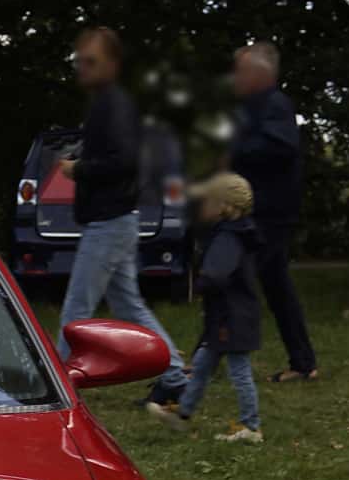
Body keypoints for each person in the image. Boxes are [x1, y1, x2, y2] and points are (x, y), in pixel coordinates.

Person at [56, 26, 187, 406]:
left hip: (109, 223)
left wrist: (78, 169)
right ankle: (174, 376)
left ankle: (56, 390)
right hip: (115, 220)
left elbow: (125, 162)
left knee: (76, 311)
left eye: (91, 61)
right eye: (80, 61)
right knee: (129, 306)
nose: (82, 67)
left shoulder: (114, 104)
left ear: (112, 63)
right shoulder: (107, 104)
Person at [147, 173, 264, 444]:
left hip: (232, 317)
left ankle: (251, 426)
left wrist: (201, 284)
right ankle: (183, 413)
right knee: (201, 365)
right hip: (227, 314)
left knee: (239, 370)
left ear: (226, 205)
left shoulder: (229, 237)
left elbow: (217, 274)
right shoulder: (235, 231)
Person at [228, 41, 318, 383]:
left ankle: (205, 357)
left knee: (233, 279)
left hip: (269, 213)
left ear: (258, 73)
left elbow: (281, 147)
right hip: (260, 210)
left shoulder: (274, 104)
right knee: (277, 288)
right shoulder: (251, 107)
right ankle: (303, 362)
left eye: (240, 70)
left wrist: (232, 150)